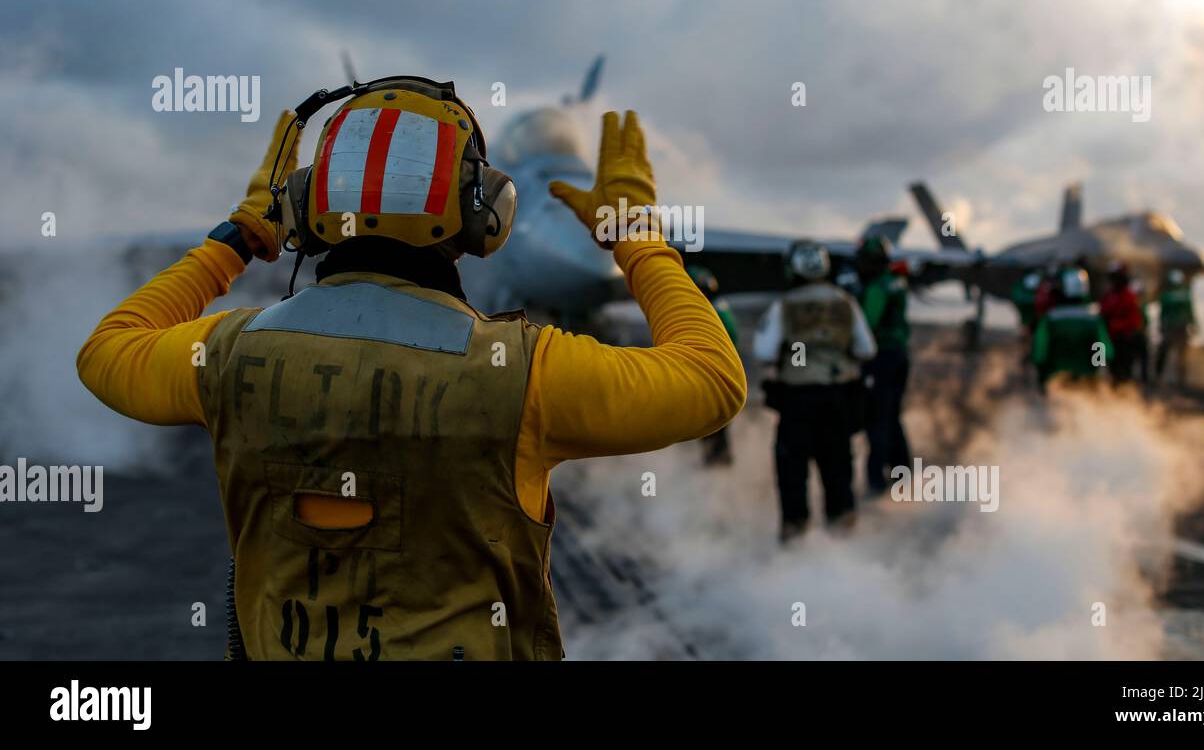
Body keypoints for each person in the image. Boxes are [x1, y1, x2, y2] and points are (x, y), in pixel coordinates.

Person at [77, 78, 746, 660]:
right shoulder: (525, 372)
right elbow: (713, 380)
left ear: (308, 208)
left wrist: (239, 237)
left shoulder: (226, 352)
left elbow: (107, 350)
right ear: (483, 212)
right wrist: (636, 236)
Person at [754, 240, 874, 542]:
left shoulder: (784, 305)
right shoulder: (846, 302)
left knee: (793, 472)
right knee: (838, 470)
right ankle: (843, 537)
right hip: (838, 398)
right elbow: (866, 348)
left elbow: (763, 351)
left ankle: (795, 541)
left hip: (797, 399)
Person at [855, 235, 912, 497]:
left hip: (881, 358)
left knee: (876, 417)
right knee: (893, 415)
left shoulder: (878, 287)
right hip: (900, 355)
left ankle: (876, 480)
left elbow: (867, 324)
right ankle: (903, 473)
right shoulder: (897, 283)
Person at [687, 265, 741, 466]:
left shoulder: (705, 311)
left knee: (710, 422)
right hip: (721, 372)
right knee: (716, 421)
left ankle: (716, 462)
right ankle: (717, 460)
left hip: (708, 374)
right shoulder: (720, 307)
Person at [1031, 267, 1112, 390]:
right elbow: (1103, 348)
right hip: (1087, 380)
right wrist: (1097, 370)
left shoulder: (1050, 319)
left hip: (1057, 379)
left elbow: (1040, 352)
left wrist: (1042, 373)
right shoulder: (1094, 319)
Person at [1098, 261, 1145, 384]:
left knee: (1123, 373)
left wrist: (1115, 325)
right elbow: (1102, 312)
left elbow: (1135, 321)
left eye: (1116, 277)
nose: (1114, 281)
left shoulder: (1128, 296)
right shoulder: (1108, 295)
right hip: (1108, 340)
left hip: (1123, 341)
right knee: (1105, 367)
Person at [1155, 268, 1196, 386]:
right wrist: (1193, 324)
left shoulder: (1166, 296)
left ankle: (1160, 376)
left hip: (1172, 328)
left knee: (1164, 352)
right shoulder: (1185, 294)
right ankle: (1181, 379)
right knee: (1181, 354)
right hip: (1180, 328)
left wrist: (1161, 326)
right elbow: (1190, 312)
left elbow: (1162, 313)